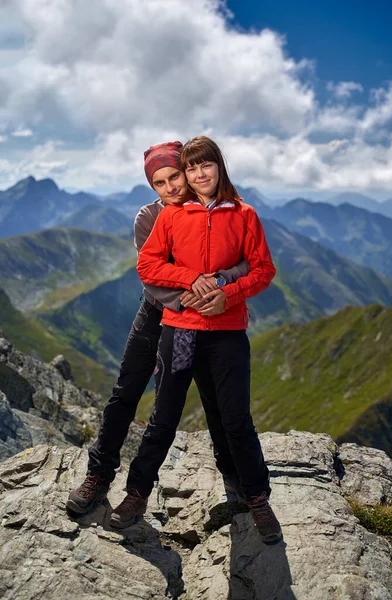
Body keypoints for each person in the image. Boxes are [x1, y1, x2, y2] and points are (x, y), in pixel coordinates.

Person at [109, 136, 282, 543]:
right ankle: (136, 495)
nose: (199, 174)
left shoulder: (245, 215)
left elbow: (263, 270)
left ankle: (258, 499)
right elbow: (147, 266)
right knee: (163, 418)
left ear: (219, 166)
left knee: (236, 419)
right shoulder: (171, 217)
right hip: (179, 331)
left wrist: (227, 294)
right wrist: (190, 278)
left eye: (206, 166)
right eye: (192, 169)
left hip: (227, 332)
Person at [66, 141, 249, 515]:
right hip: (156, 314)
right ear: (153, 187)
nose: (171, 187)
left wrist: (219, 287)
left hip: (204, 317)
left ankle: (233, 474)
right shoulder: (148, 217)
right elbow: (151, 276)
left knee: (215, 398)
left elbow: (247, 261)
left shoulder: (225, 208)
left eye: (174, 177)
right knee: (126, 393)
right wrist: (186, 299)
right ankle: (99, 476)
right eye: (160, 182)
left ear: (187, 171)